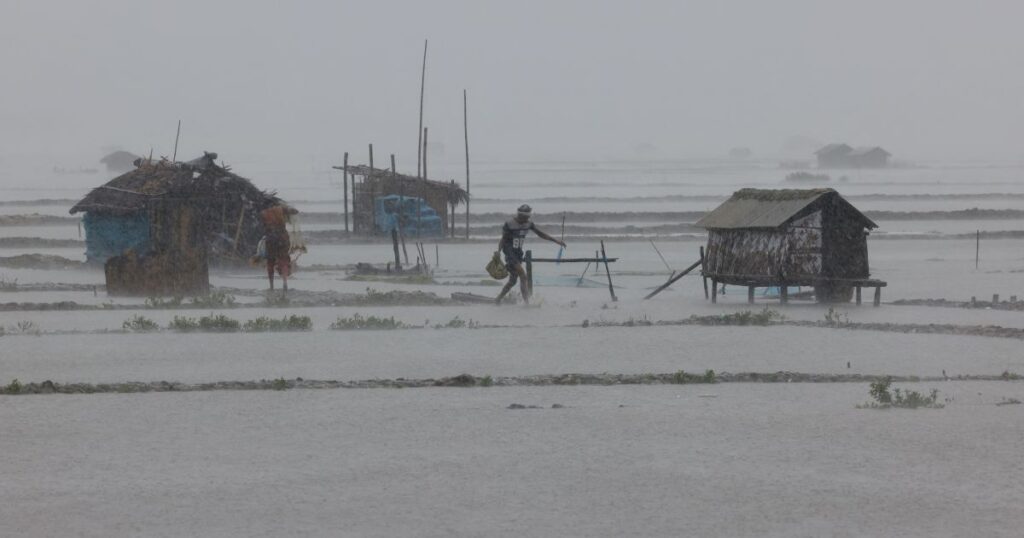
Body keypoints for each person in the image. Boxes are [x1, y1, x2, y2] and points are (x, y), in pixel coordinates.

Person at [495, 204, 566, 305]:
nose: (526, 219)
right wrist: (498, 252)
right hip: (509, 252)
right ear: (520, 215)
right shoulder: (509, 224)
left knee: (513, 280)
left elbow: (541, 234)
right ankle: (527, 303)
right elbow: (503, 239)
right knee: (523, 276)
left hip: (518, 253)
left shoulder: (528, 224)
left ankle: (498, 299)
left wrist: (556, 241)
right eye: (525, 217)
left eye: (528, 217)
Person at [260, 203, 299, 291]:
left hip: (271, 240)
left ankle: (271, 286)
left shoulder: (263, 213)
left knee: (270, 262)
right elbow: (294, 211)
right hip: (282, 238)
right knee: (283, 260)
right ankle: (285, 281)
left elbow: (263, 227)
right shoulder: (280, 209)